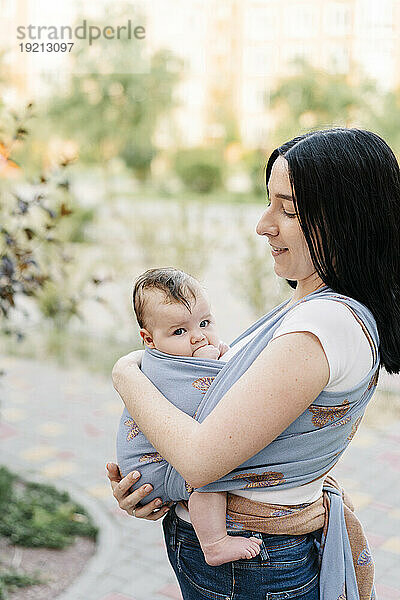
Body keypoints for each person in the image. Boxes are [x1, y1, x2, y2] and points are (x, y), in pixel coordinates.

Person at [107, 128, 400, 600]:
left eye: (288, 210)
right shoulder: (311, 307)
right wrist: (155, 483)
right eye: (269, 203)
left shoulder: (325, 323)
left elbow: (201, 460)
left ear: (347, 219)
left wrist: (126, 373)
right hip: (245, 558)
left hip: (253, 566)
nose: (264, 224)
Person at [116, 266, 263, 565]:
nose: (198, 338)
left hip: (153, 466)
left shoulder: (172, 359)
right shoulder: (163, 369)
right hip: (151, 472)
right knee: (208, 472)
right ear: (149, 339)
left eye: (205, 323)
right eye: (180, 331)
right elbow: (211, 406)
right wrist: (214, 366)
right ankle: (215, 543)